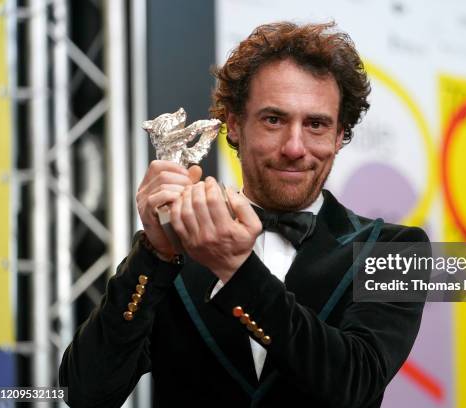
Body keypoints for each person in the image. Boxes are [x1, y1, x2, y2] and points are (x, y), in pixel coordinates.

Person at [59, 21, 429, 407]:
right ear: (234, 125)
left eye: (316, 125)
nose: (294, 147)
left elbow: (354, 385)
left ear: (339, 137)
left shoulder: (395, 250)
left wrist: (237, 272)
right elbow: (85, 393)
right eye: (274, 120)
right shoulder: (179, 245)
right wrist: (154, 254)